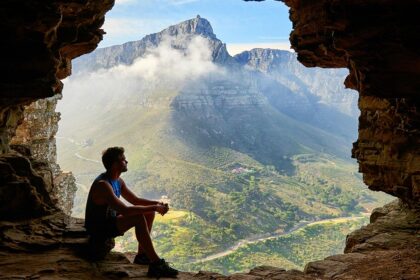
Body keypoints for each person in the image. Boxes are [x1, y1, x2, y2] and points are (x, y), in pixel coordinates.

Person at [84, 146, 178, 278]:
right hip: (99, 228)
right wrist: (156, 208)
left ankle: (142, 256)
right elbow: (125, 210)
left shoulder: (117, 181)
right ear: (115, 164)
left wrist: (156, 204)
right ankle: (156, 264)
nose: (126, 161)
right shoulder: (103, 185)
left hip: (109, 221)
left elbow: (135, 200)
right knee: (138, 217)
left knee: (148, 213)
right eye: (123, 160)